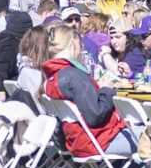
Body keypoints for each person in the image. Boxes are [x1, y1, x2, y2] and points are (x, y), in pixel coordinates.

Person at [39, 22, 133, 158]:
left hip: (76, 141)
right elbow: (95, 115)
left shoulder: (52, 76)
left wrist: (97, 86)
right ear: (73, 44)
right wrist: (107, 89)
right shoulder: (73, 75)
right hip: (97, 142)